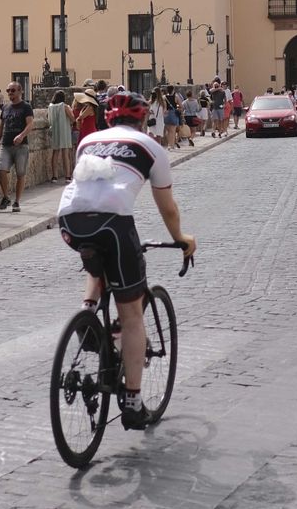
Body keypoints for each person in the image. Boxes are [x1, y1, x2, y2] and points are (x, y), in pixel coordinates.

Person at [56, 91, 196, 430]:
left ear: (108, 119)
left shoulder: (88, 141)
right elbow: (168, 207)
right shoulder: (151, 147)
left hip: (69, 221)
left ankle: (89, 314)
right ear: (143, 120)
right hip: (113, 224)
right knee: (132, 315)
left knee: (96, 258)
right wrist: (182, 239)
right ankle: (132, 402)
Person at [0, 81, 35, 213]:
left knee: (20, 174)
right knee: (1, 170)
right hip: (5, 144)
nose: (10, 93)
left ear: (20, 91)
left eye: (12, 90)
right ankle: (6, 197)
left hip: (21, 146)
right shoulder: (5, 108)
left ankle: (17, 201)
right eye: (8, 90)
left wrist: (21, 135)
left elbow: (30, 124)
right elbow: (1, 127)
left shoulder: (26, 107)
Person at [48, 91, 75, 181]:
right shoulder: (64, 106)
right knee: (65, 153)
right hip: (64, 130)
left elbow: (48, 117)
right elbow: (72, 118)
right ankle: (67, 176)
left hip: (55, 131)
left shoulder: (51, 106)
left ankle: (54, 176)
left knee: (55, 152)